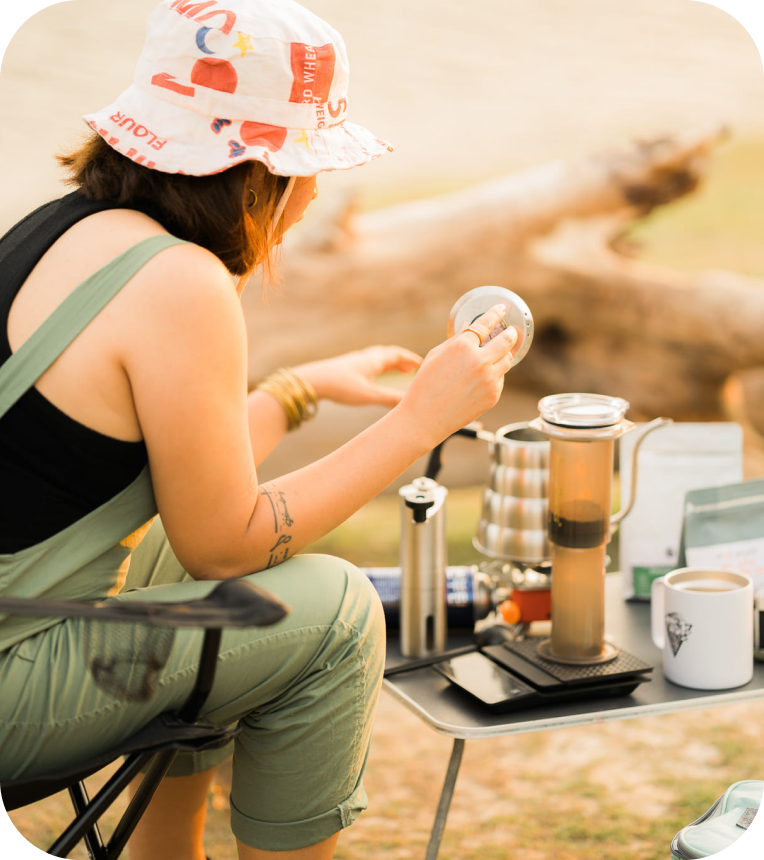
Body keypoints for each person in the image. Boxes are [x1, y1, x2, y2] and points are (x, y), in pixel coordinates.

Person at [0, 1, 517, 858]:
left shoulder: (67, 231)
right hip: (13, 679)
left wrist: (295, 392)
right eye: (305, 163)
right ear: (249, 168)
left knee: (166, 545)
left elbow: (136, 477)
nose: (314, 192)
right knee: (338, 611)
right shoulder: (182, 283)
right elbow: (229, 549)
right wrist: (423, 420)